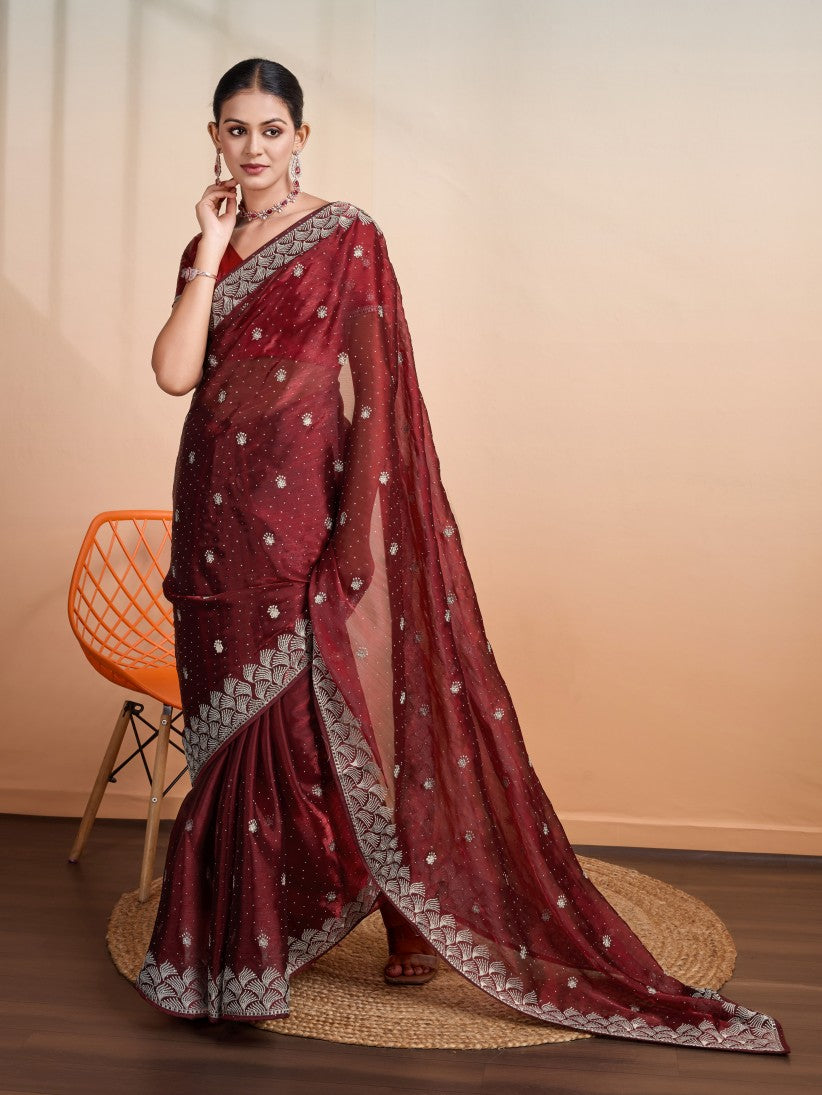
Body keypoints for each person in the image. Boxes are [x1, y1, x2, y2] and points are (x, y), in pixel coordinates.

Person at [133, 57, 790, 1055]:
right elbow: (175, 372)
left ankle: (401, 900)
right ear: (214, 138)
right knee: (230, 742)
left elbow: (376, 387)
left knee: (317, 726)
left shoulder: (349, 236)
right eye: (235, 129)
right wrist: (213, 246)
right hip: (213, 516)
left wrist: (357, 521)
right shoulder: (206, 246)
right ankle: (241, 953)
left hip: (299, 507)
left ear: (301, 137)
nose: (253, 147)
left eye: (271, 129)